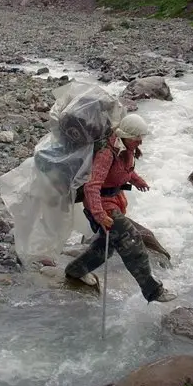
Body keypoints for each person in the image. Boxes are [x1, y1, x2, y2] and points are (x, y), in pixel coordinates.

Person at [64, 113, 177, 303]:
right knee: (132, 241)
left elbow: (124, 170)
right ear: (125, 135)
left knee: (104, 249)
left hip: (114, 201)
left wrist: (137, 179)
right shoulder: (106, 153)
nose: (140, 141)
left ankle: (76, 270)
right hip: (102, 205)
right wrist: (99, 215)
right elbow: (92, 186)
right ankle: (153, 291)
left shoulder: (125, 149)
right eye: (137, 137)